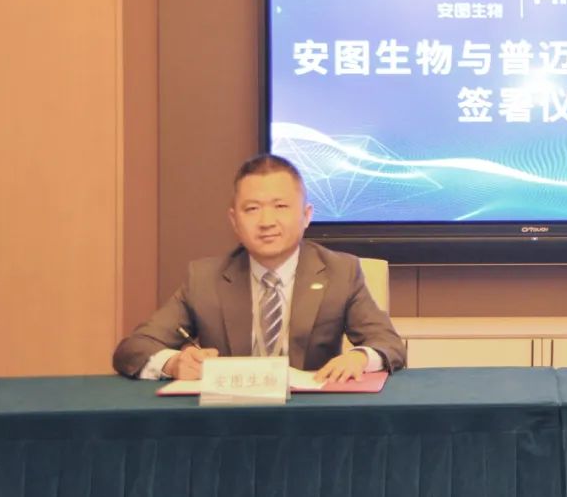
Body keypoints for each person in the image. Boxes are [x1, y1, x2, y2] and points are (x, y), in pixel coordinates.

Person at [113, 153, 406, 381]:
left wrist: (358, 358)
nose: (266, 222)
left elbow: (388, 344)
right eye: (252, 209)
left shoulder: (340, 272)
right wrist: (174, 363)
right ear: (234, 221)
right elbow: (134, 348)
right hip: (229, 419)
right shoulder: (204, 279)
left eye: (280, 207)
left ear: (306, 215)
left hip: (311, 417)